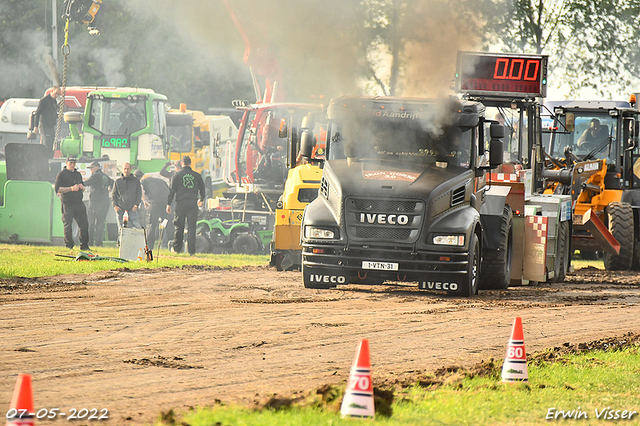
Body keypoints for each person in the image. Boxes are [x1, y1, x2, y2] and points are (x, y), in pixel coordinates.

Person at [166, 156, 205, 255]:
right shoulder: (196, 175)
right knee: (192, 227)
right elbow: (202, 188)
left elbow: (172, 190)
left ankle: (177, 249)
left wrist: (168, 204)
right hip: (192, 203)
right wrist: (201, 199)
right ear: (190, 163)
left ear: (182, 164)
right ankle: (191, 251)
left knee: (179, 226)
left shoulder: (177, 175)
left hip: (180, 203)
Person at [54, 155, 90, 250]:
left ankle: (84, 245)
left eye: (74, 163)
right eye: (71, 163)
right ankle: (69, 245)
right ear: (66, 163)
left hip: (78, 203)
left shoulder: (78, 174)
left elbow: (82, 186)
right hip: (67, 203)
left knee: (84, 224)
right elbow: (58, 189)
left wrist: (82, 188)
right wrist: (71, 189)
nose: (72, 165)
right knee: (67, 224)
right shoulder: (61, 174)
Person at [136, 169, 173, 250]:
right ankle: (171, 244)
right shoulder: (160, 181)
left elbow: (141, 189)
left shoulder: (143, 181)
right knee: (169, 224)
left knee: (151, 225)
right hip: (165, 203)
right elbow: (169, 191)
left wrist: (145, 200)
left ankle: (149, 247)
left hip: (154, 204)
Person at [83, 161, 114, 247]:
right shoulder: (105, 176)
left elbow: (86, 183)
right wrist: (110, 189)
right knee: (100, 224)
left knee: (91, 223)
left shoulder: (95, 176)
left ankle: (89, 242)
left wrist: (78, 184)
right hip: (104, 202)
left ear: (97, 167)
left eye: (92, 168)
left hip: (95, 202)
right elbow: (113, 183)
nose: (91, 170)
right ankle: (99, 243)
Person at [111, 162, 142, 233]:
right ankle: (121, 242)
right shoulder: (117, 181)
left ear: (130, 169)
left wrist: (136, 205)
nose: (126, 170)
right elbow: (114, 195)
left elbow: (139, 194)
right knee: (121, 228)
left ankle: (139, 242)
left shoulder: (136, 181)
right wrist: (115, 205)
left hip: (132, 208)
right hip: (120, 208)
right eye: (124, 169)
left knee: (137, 226)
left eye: (128, 169)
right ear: (122, 169)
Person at [33, 86, 62, 156]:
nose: (57, 95)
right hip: (44, 126)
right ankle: (45, 158)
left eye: (58, 94)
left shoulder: (54, 102)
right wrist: (35, 126)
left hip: (51, 126)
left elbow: (53, 113)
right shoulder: (44, 100)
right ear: (52, 91)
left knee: (52, 143)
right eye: (56, 93)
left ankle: (50, 157)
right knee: (46, 143)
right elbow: (37, 113)